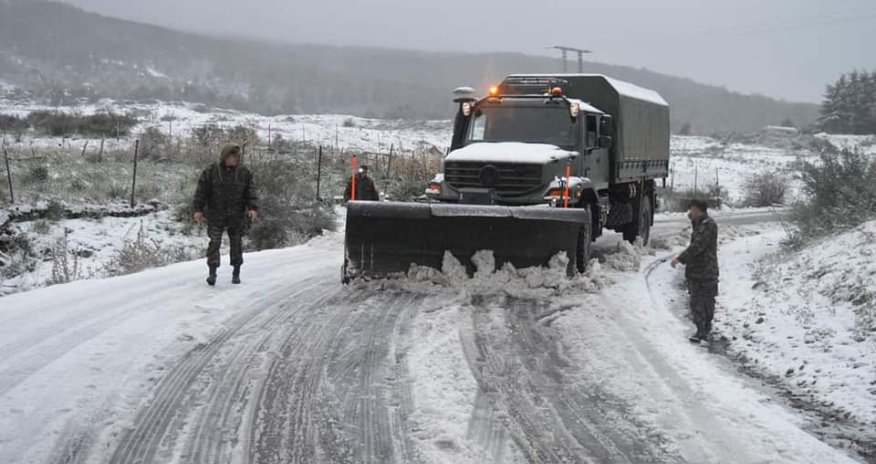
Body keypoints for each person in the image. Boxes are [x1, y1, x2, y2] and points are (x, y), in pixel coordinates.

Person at [193, 144, 258, 286]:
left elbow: (250, 192)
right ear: (225, 156)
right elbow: (201, 191)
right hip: (216, 214)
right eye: (233, 156)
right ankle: (212, 272)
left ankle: (236, 271)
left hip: (236, 215)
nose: (236, 159)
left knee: (236, 243)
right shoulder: (211, 171)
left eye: (237, 156)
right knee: (214, 243)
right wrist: (198, 210)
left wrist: (252, 208)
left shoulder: (243, 172)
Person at [671, 199, 719, 343]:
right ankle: (703, 329)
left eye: (691, 210)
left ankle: (702, 330)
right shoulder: (701, 224)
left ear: (698, 209)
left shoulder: (707, 225)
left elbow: (698, 246)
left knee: (701, 300)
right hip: (701, 270)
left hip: (704, 271)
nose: (689, 213)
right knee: (701, 300)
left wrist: (680, 259)